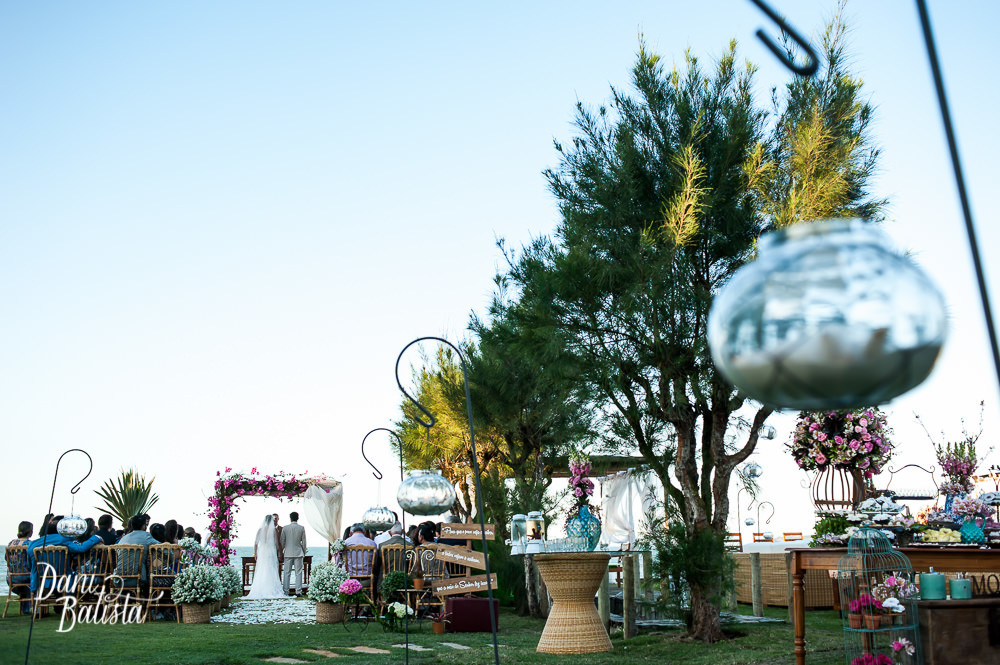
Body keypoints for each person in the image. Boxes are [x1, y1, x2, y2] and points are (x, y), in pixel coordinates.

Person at [246, 515, 285, 599]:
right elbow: (278, 544)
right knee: (271, 569)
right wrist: (281, 554)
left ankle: (261, 588)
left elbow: (256, 544)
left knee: (262, 569)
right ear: (271, 521)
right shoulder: (274, 530)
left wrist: (255, 554)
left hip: (262, 552)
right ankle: (271, 588)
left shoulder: (260, 530)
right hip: (271, 552)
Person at [118, 515, 161, 587]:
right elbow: (163, 548)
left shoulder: (123, 539)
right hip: (137, 579)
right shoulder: (146, 536)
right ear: (143, 526)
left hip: (118, 579)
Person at [280, 512, 307, 596]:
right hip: (298, 553)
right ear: (297, 518)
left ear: (290, 518)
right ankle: (298, 591)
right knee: (298, 573)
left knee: (286, 573)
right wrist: (303, 552)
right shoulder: (301, 528)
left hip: (288, 553)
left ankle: (286, 591)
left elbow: (282, 541)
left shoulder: (285, 528)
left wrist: (282, 551)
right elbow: (304, 542)